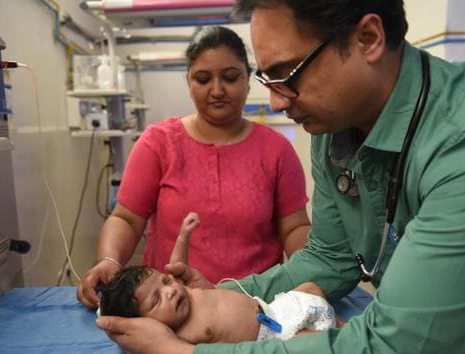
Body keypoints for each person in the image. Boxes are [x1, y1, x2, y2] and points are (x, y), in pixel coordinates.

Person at [96, 1, 465, 353]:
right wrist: (218, 298)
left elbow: (395, 346)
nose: (278, 102)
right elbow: (330, 257)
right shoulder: (335, 127)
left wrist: (184, 352)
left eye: (288, 74)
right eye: (268, 78)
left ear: (368, 38)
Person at [77, 25, 311, 309]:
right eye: (202, 79)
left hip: (252, 307)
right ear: (188, 82)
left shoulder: (276, 150)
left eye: (230, 77)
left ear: (248, 80)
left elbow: (295, 227)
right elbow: (126, 218)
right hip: (168, 307)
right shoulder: (158, 143)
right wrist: (109, 260)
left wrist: (307, 279)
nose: (217, 90)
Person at [97, 212, 337, 343]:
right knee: (323, 342)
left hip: (272, 310)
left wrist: (184, 235)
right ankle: (346, 337)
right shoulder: (179, 336)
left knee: (311, 288)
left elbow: (176, 267)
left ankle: (345, 326)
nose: (169, 291)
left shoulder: (185, 292)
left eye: (166, 282)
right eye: (156, 301)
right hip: (276, 339)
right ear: (147, 323)